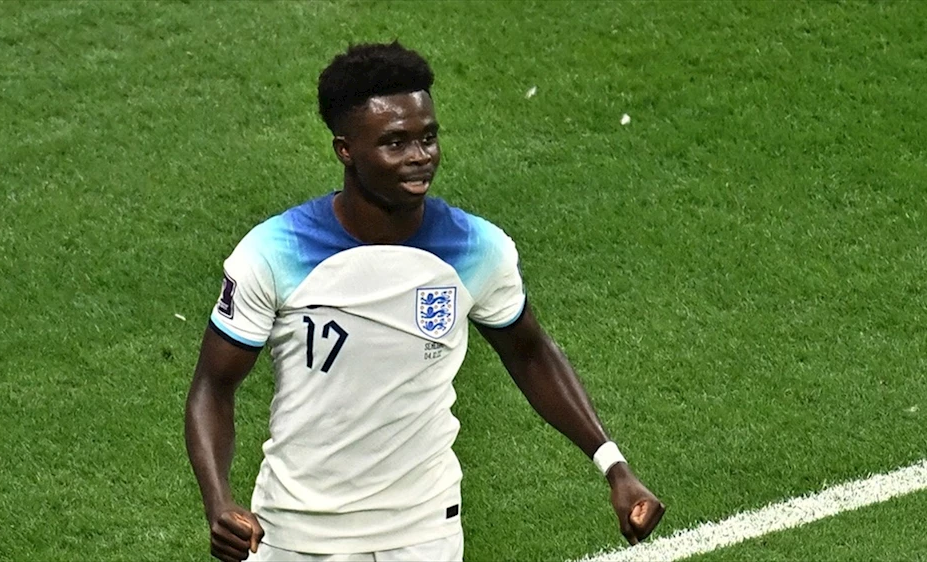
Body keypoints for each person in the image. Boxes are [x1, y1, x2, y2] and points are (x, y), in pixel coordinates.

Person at [185, 41, 664, 562]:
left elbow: (530, 354)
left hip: (425, 531)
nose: (420, 156)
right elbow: (213, 386)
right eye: (395, 142)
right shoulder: (273, 253)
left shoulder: (475, 249)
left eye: (428, 137)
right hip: (297, 533)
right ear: (345, 150)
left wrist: (614, 467)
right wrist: (219, 502)